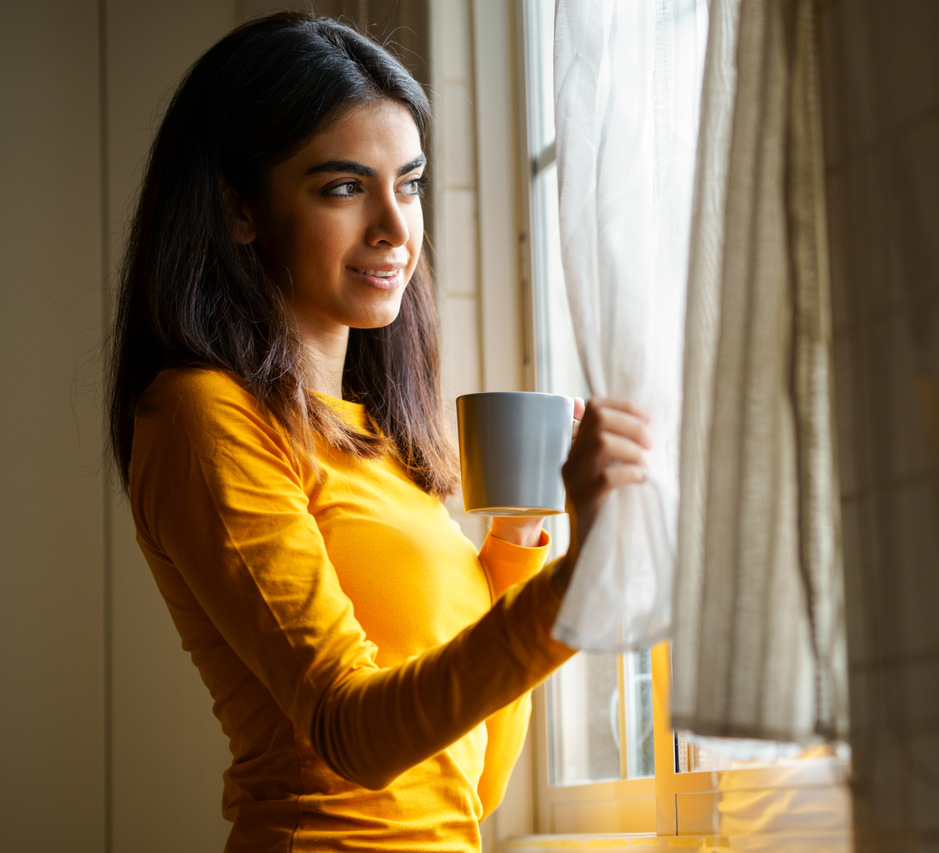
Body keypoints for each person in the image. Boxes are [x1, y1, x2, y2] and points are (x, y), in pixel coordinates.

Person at [107, 12, 649, 852]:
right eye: (343, 186)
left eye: (411, 183)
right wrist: (580, 586)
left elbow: (475, 779)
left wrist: (519, 546)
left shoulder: (373, 440)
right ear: (240, 208)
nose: (396, 227)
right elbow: (351, 732)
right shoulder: (201, 413)